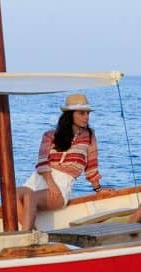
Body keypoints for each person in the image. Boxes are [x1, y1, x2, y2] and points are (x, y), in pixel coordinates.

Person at [22, 92, 103, 227]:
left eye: (88, 113)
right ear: (70, 114)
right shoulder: (49, 135)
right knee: (11, 195)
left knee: (30, 197)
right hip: (39, 179)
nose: (87, 117)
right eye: (82, 113)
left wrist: (98, 188)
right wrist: (50, 182)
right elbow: (42, 162)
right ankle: (31, 233)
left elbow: (92, 166)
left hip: (62, 184)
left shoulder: (89, 136)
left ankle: (24, 236)